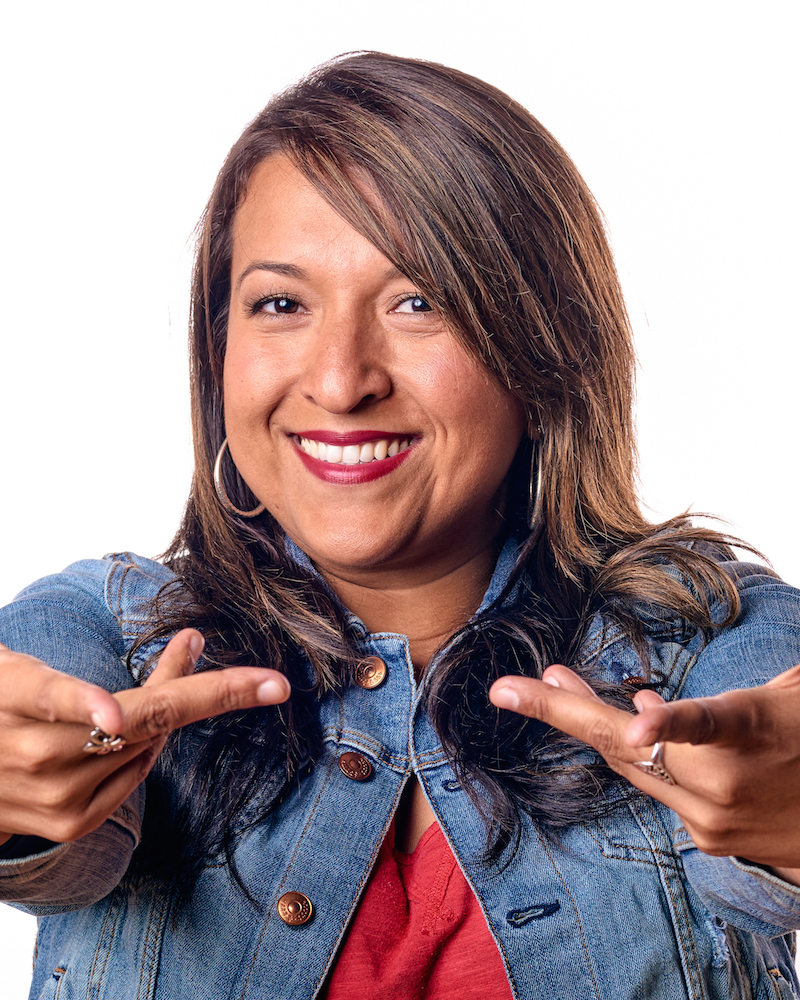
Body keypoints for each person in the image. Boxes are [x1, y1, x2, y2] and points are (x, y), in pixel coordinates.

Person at [1, 51, 799, 1000]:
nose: (340, 381)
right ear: (221, 351)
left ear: (542, 350)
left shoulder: (708, 640)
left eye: (421, 302)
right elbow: (60, 843)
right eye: (281, 304)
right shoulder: (107, 632)